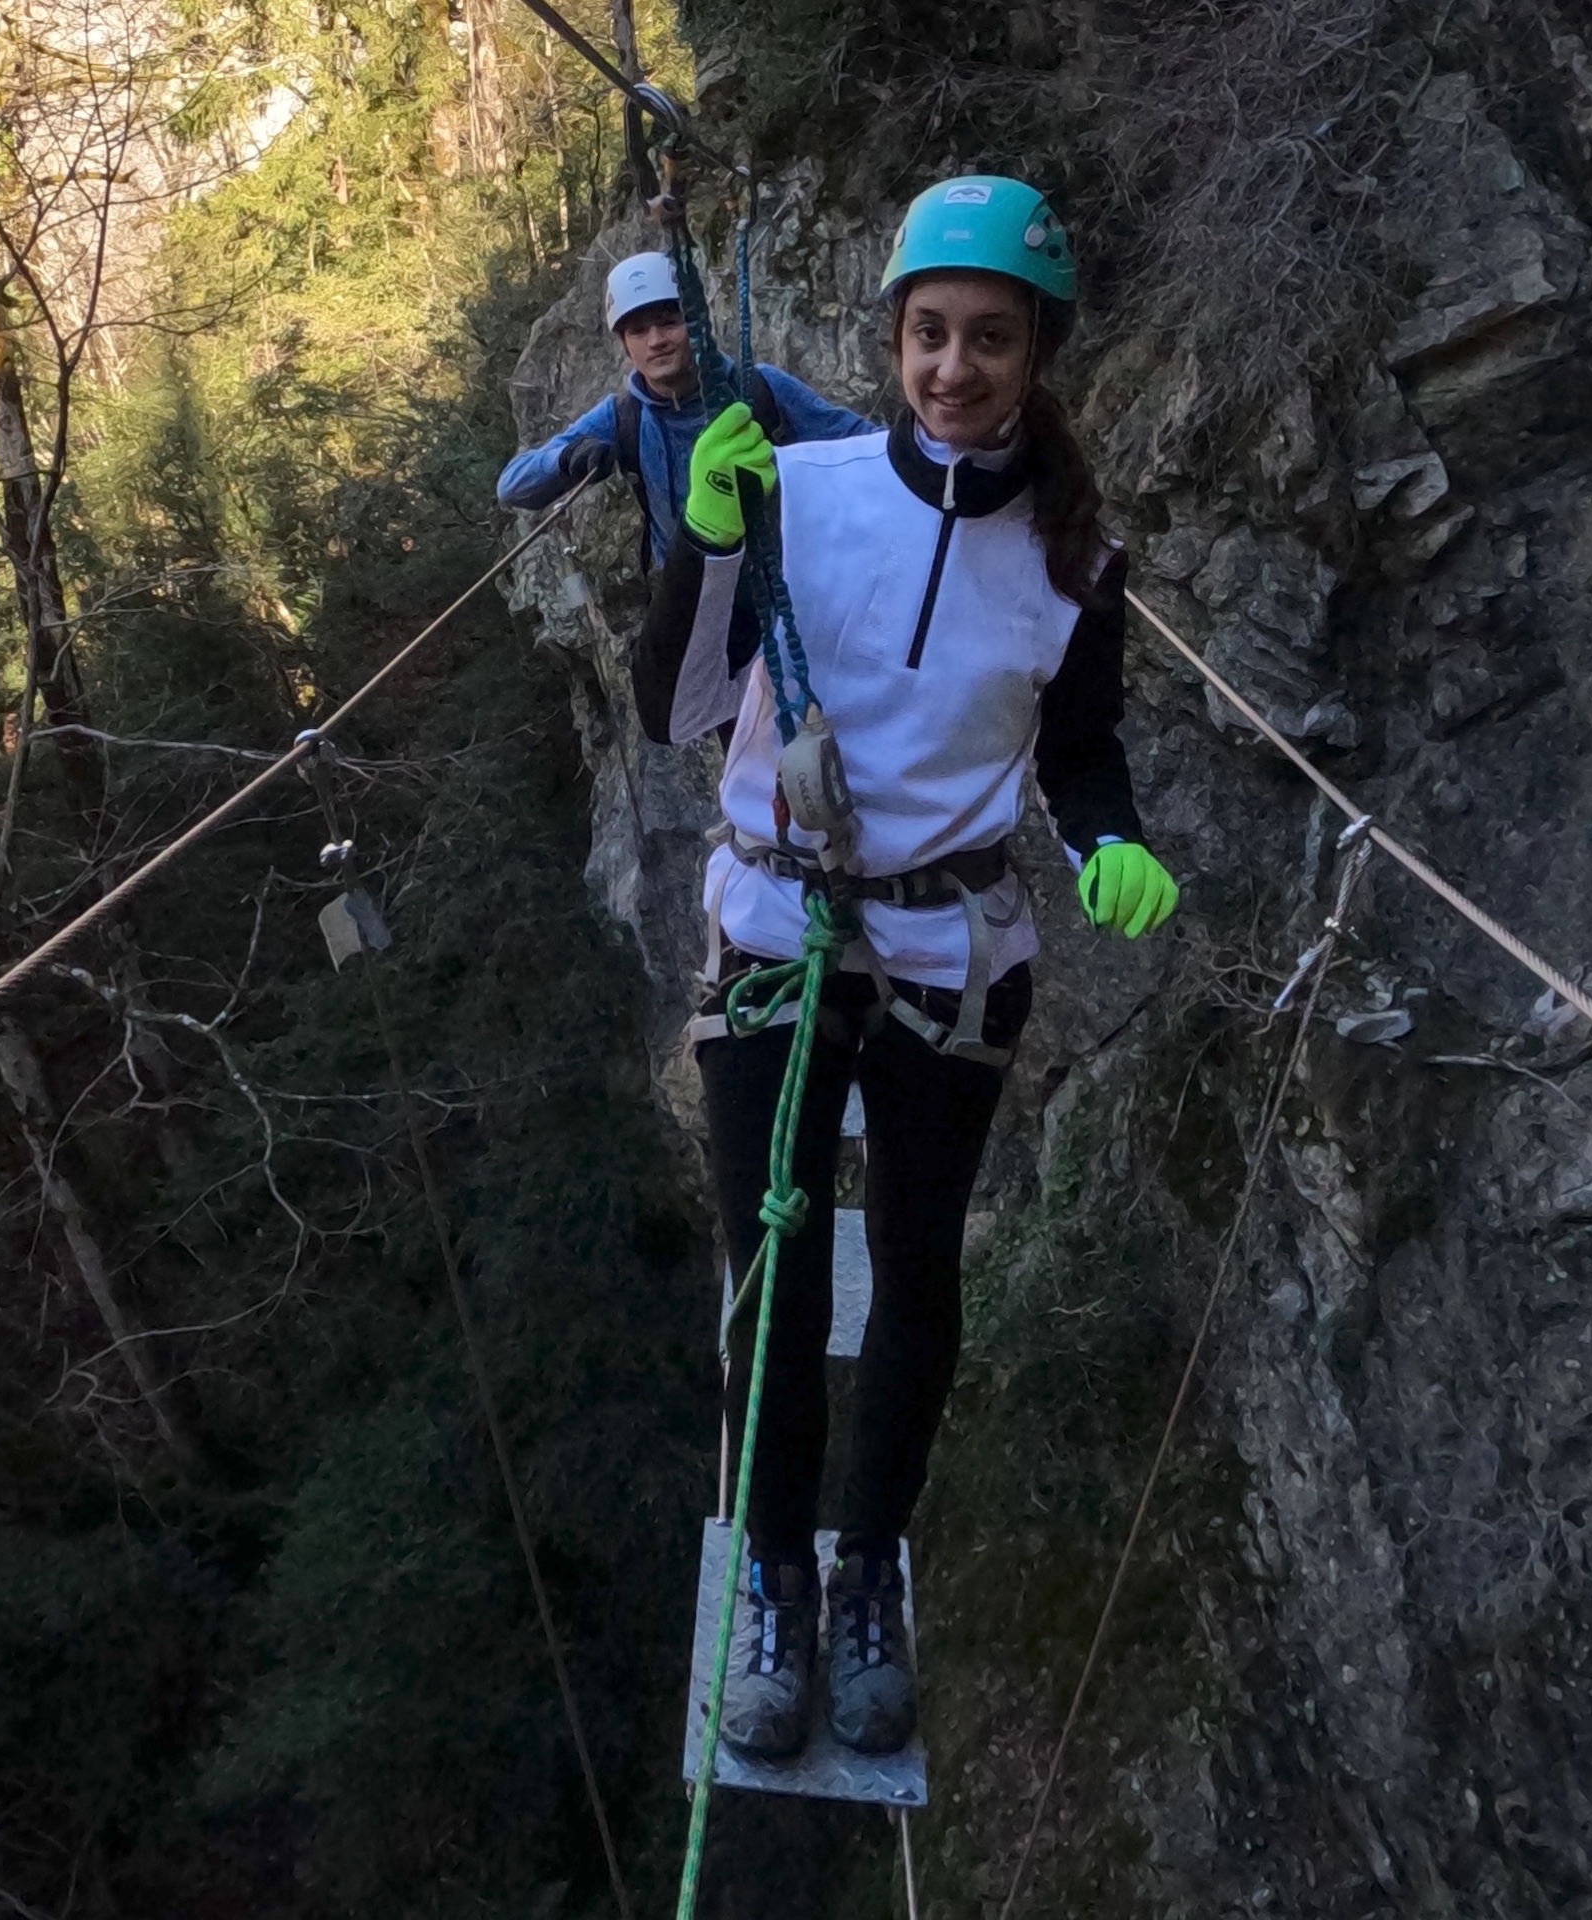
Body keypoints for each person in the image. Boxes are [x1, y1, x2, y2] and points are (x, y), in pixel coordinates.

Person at [633, 177, 1179, 1762]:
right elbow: (674, 708)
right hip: (778, 934)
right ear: (892, 339)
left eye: (989, 341)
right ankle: (775, 1579)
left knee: (920, 1280)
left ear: (1037, 357)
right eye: (930, 334)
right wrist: (707, 542)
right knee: (779, 1281)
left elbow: (1081, 756)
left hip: (949, 947)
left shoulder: (1080, 558)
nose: (954, 368)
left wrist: (1103, 844)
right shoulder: (792, 487)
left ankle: (871, 1566)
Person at [496, 251, 871, 569]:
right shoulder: (623, 417)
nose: (656, 341)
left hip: (776, 595)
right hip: (686, 602)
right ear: (626, 347)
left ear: (696, 325)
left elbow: (862, 445)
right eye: (639, 331)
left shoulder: (759, 390)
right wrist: (565, 460)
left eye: (668, 322)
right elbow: (513, 487)